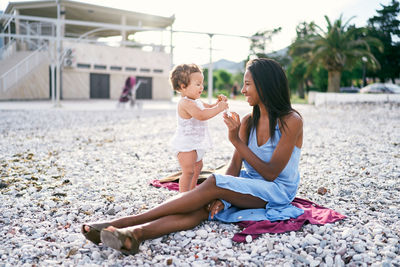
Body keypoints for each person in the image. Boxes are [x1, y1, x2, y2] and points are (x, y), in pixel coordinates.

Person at [81, 58, 304, 256]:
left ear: (265, 86)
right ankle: (134, 235)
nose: (243, 90)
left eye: (247, 84)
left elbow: (272, 172)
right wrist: (223, 197)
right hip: (249, 185)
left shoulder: (291, 121)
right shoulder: (248, 121)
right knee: (203, 207)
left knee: (213, 182)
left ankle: (120, 222)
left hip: (277, 190)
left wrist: (235, 141)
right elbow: (236, 165)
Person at [169, 63, 229, 192]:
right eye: (197, 84)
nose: (201, 87)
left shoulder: (197, 101)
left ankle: (191, 192)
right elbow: (201, 115)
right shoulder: (185, 103)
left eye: (202, 83)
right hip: (186, 144)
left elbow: (208, 108)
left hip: (196, 143)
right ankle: (183, 197)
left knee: (197, 168)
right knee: (188, 171)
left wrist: (218, 103)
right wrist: (219, 109)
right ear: (183, 86)